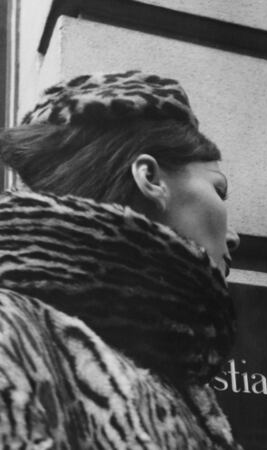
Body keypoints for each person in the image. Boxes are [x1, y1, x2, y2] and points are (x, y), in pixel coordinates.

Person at [0, 70, 242, 448]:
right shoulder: (9, 331)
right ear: (150, 177)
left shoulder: (175, 380)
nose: (234, 237)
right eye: (219, 190)